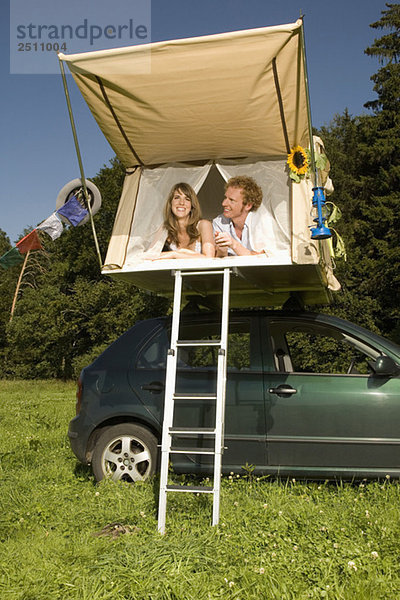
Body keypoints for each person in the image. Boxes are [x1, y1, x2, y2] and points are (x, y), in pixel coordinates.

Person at [158, 182, 215, 259]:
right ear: (170, 203)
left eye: (187, 199)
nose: (181, 203)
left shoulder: (204, 225)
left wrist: (175, 254)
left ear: (192, 205)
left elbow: (209, 257)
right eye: (177, 198)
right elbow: (152, 254)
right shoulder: (164, 228)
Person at [213, 175, 263, 256]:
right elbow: (218, 258)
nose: (224, 203)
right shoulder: (219, 222)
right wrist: (222, 250)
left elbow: (260, 260)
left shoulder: (261, 223)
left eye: (231, 200)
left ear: (248, 205)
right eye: (225, 198)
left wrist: (233, 244)